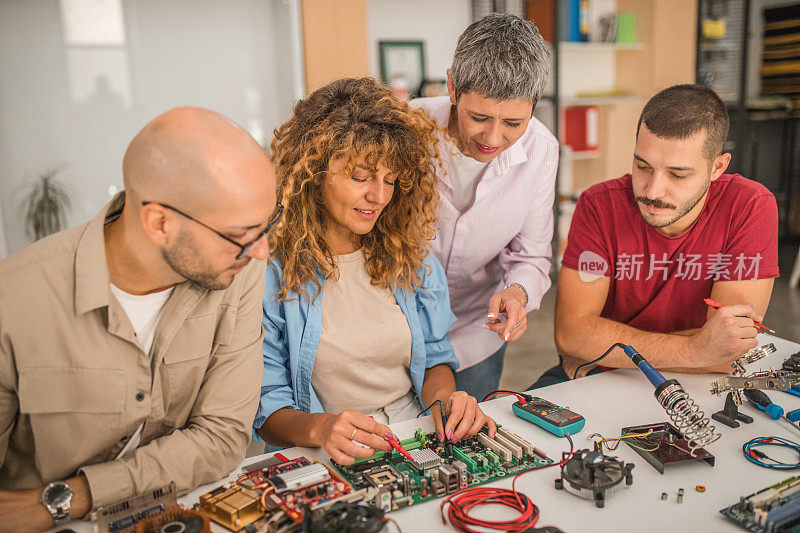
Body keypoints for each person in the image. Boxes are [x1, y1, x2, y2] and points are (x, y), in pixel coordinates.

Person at [0, 107, 278, 532]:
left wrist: (72, 496)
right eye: (242, 235)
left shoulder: (237, 272)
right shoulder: (14, 300)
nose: (262, 251)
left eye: (268, 225)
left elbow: (223, 437)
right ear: (159, 223)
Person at [253, 77, 495, 465]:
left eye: (390, 179)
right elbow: (268, 408)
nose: (378, 196)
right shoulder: (272, 272)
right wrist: (321, 428)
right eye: (360, 177)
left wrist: (447, 400)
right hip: (325, 451)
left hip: (412, 434)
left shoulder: (412, 258)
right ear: (313, 171)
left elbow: (434, 358)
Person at [534, 84, 779, 388]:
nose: (652, 191)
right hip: (601, 383)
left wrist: (605, 352)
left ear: (717, 167)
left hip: (673, 385)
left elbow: (729, 351)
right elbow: (572, 335)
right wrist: (695, 349)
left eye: (677, 174)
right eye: (643, 166)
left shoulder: (750, 206)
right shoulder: (599, 205)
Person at [410, 13, 558, 401]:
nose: (493, 138)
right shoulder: (407, 128)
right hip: (396, 327)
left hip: (476, 331)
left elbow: (532, 254)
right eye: (478, 117)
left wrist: (518, 293)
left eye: (513, 122)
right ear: (452, 87)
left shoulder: (542, 150)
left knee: (467, 443)